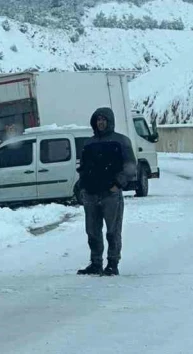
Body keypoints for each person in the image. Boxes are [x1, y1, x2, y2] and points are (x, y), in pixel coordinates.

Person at [76, 107, 137, 276]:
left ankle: (112, 263)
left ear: (110, 121)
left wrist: (118, 184)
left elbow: (130, 166)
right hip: (91, 194)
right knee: (92, 231)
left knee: (113, 231)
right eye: (98, 119)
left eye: (103, 119)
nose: (100, 123)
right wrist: (83, 186)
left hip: (111, 194)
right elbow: (83, 167)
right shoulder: (88, 143)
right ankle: (96, 263)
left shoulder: (121, 141)